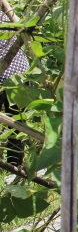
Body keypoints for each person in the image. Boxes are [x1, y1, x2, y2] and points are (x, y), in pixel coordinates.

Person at [0, 11, 29, 167]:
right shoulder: (7, 15)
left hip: (10, 75)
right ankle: (15, 165)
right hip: (20, 75)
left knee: (16, 124)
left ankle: (13, 166)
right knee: (17, 125)